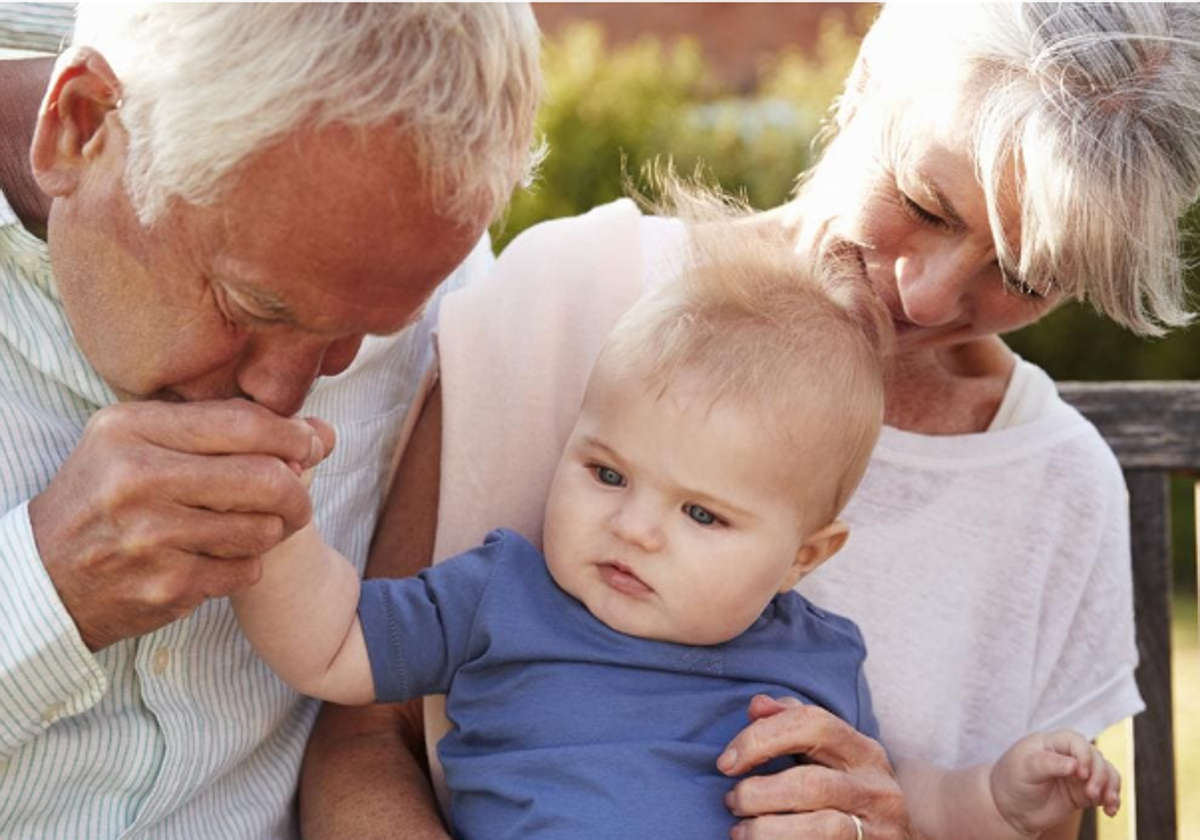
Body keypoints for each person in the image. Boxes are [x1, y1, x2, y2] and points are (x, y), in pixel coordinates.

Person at [323, 4, 1200, 839]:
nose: (928, 296)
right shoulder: (572, 298)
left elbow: (1039, 824)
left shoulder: (1055, 485)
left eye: (1026, 273)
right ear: (866, 81)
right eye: (927, 205)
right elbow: (360, 735)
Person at [233, 207, 1120, 840]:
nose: (636, 528)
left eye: (702, 513)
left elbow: (907, 794)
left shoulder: (813, 657)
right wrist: (274, 521)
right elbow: (333, 645)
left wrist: (1002, 798)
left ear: (803, 558)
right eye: (606, 472)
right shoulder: (502, 593)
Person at [0, 4, 540, 838]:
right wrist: (46, 589)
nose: (284, 394)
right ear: (81, 127)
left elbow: (416, 717)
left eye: (359, 340)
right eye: (251, 305)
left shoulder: (425, 265)